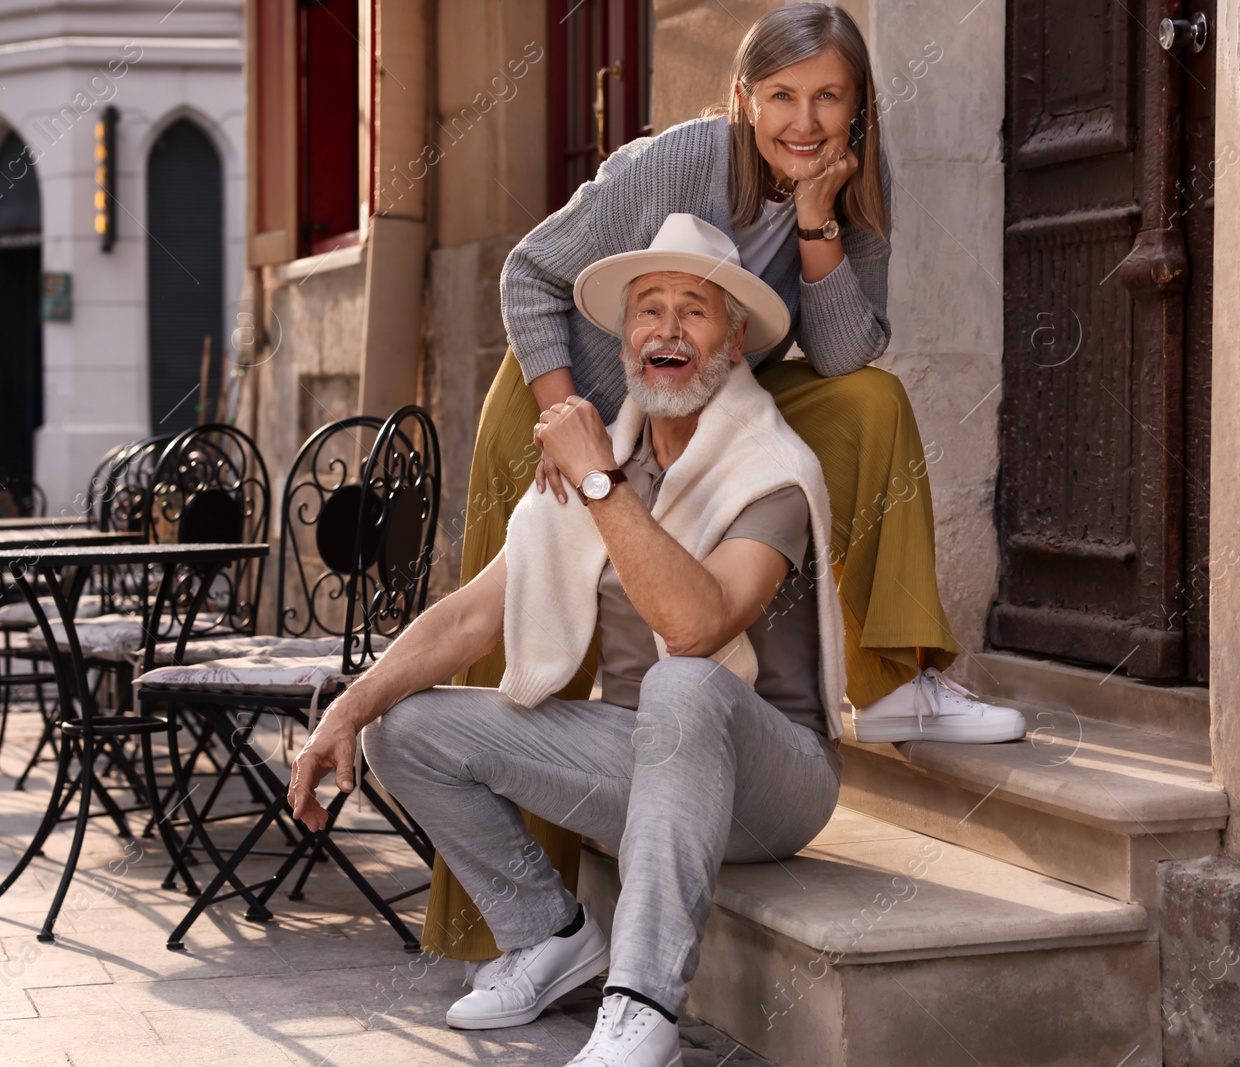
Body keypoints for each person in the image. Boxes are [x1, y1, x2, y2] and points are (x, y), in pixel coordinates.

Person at [433, 1, 1023, 965]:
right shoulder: (678, 162)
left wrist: (820, 221)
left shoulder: (856, 183)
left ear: (858, 103)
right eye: (783, 96)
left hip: (713, 385)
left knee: (872, 400)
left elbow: (842, 350)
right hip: (566, 391)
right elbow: (528, 273)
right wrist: (569, 422)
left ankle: (897, 679)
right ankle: (511, 930)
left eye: (828, 96)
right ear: (744, 99)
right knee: (529, 634)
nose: (805, 121)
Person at [291, 214, 874, 1065]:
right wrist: (344, 709)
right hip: (643, 753)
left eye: (694, 310)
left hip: (773, 778)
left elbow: (699, 624)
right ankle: (550, 934)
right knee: (403, 725)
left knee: (685, 679)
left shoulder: (771, 470)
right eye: (648, 310)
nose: (667, 330)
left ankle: (642, 1008)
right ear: (627, 337)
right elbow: (467, 616)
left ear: (735, 338)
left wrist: (599, 481)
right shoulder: (610, 455)